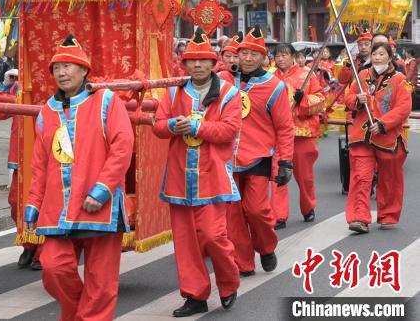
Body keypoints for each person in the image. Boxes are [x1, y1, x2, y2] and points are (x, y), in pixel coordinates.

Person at [23, 35, 134, 321]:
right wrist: (33, 203)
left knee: (101, 282)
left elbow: (123, 148)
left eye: (68, 66)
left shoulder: (107, 101)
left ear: (84, 71)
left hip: (100, 206)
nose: (61, 73)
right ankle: (76, 314)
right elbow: (40, 163)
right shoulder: (46, 111)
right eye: (56, 67)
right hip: (57, 207)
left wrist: (102, 190)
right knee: (53, 268)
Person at [153, 30, 241, 317]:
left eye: (203, 60)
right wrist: (170, 127)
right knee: (185, 242)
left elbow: (229, 131)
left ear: (213, 62)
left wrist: (196, 127)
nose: (198, 66)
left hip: (213, 178)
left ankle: (228, 282)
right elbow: (158, 124)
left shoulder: (229, 93)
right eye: (192, 61)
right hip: (179, 180)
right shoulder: (174, 92)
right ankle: (195, 295)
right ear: (185, 63)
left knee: (214, 236)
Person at [219, 27, 294, 276]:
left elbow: (284, 127)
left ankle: (265, 247)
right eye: (243, 53)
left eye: (254, 54)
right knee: (233, 214)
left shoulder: (275, 87)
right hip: (226, 158)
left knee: (256, 210)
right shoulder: (224, 81)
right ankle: (243, 263)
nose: (248, 58)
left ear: (264, 58)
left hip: (258, 156)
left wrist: (285, 162)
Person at [344, 41, 412, 234]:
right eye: (375, 54)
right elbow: (347, 98)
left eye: (382, 54)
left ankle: (388, 215)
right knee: (361, 177)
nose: (377, 58)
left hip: (389, 138)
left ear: (390, 57)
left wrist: (383, 124)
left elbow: (403, 108)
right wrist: (357, 99)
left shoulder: (400, 80)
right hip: (362, 136)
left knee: (389, 179)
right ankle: (359, 218)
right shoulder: (361, 76)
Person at [270, 44, 326, 229]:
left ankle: (308, 207)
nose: (281, 59)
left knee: (305, 177)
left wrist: (303, 99)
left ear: (293, 56)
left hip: (302, 133)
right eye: (278, 55)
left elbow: (321, 100)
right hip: (278, 134)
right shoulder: (269, 77)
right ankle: (278, 216)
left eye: (284, 55)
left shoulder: (306, 75)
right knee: (278, 174)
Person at [0, 68, 43, 270]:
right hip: (20, 154)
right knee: (16, 202)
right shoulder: (19, 84)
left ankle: (43, 248)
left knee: (45, 201)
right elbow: (0, 113)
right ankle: (29, 243)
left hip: (46, 153)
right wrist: (5, 85)